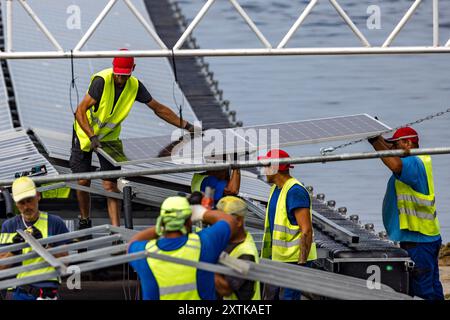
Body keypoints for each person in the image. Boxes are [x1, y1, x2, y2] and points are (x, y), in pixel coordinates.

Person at [71, 48, 197, 229]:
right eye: (118, 75)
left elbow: (158, 108)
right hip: (85, 134)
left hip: (108, 138)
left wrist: (187, 126)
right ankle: (84, 219)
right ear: (113, 69)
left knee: (110, 183)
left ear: (133, 69)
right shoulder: (101, 81)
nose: (120, 79)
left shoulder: (135, 86)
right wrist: (91, 135)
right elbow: (80, 110)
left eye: (124, 76)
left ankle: (116, 230)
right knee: (83, 181)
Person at [368, 127, 444, 300]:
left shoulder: (414, 163)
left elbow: (394, 164)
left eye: (397, 144)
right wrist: (378, 138)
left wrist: (374, 142)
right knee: (432, 283)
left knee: (422, 289)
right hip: (427, 236)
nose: (393, 149)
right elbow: (392, 156)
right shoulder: (420, 160)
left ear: (408, 143)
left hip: (418, 240)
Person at [127, 195, 237, 300]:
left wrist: (161, 226)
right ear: (189, 220)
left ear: (162, 220)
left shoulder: (145, 253)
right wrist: (202, 213)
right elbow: (230, 221)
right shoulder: (203, 244)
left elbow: (132, 243)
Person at [258, 149, 317, 300]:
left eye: (266, 165)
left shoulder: (295, 191)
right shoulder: (276, 189)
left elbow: (306, 230)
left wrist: (301, 264)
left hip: (293, 261)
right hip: (278, 259)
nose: (263, 169)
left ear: (275, 168)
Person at [0, 177, 69, 300]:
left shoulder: (54, 222)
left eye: (29, 200)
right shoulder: (9, 226)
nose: (26, 206)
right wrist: (14, 251)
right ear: (16, 203)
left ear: (38, 196)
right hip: (19, 292)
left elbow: (65, 263)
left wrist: (45, 247)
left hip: (47, 293)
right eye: (22, 202)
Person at [214, 196, 260, 300]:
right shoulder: (233, 238)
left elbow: (225, 289)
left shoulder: (246, 254)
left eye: (223, 221)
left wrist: (206, 257)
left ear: (239, 221)